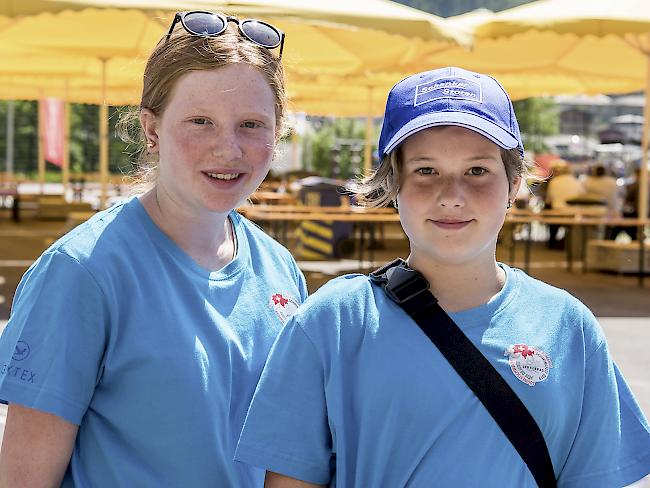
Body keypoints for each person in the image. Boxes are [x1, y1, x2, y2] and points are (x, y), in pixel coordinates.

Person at [234, 67, 650, 487]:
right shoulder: (333, 323)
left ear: (515, 184)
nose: (452, 195)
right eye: (426, 171)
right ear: (392, 185)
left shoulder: (567, 327)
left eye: (477, 171)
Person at [0, 11, 307, 487]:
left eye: (251, 124)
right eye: (200, 121)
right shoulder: (83, 272)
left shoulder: (280, 269)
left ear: (277, 132)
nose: (228, 148)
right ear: (151, 129)